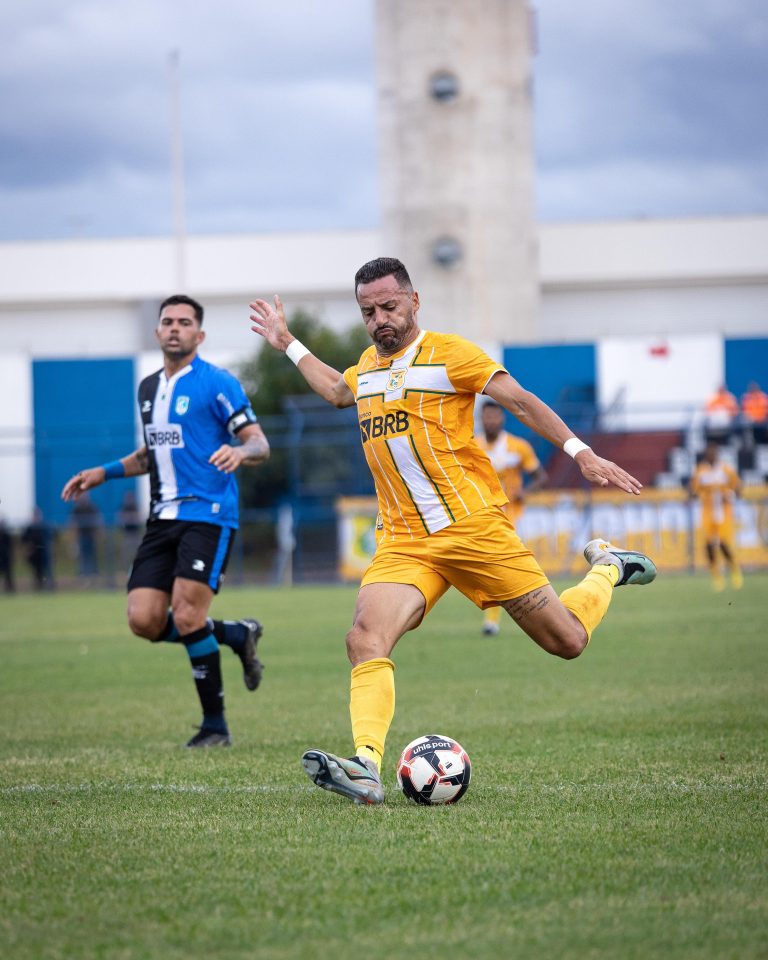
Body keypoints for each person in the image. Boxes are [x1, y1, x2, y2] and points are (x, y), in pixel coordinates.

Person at [248, 257, 657, 805]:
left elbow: (520, 401)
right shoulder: (367, 367)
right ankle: (367, 766)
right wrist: (288, 343)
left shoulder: (452, 354)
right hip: (404, 541)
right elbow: (337, 391)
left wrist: (582, 453)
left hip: (473, 529)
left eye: (389, 306)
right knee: (364, 637)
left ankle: (607, 567)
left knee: (568, 641)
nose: (379, 320)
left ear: (415, 301)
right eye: (368, 311)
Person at [62, 294, 271, 747]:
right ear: (157, 332)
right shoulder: (147, 388)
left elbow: (259, 443)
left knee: (191, 613)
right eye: (167, 321)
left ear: (200, 334)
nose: (174, 328)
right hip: (163, 518)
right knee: (144, 620)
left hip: (209, 515)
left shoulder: (218, 383)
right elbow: (152, 455)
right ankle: (237, 634)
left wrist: (239, 450)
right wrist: (104, 472)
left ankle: (215, 726)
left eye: (184, 322)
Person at [476, 400, 547, 636]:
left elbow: (540, 476)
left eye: (495, 417)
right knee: (492, 569)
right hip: (484, 517)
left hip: (515, 516)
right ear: (481, 419)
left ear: (502, 419)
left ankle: (542, 612)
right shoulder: (472, 446)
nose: (491, 421)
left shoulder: (518, 447)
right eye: (487, 417)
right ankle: (492, 620)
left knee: (518, 568)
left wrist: (524, 493)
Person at [689, 441, 742, 591]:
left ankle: (734, 570)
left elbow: (737, 488)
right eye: (708, 453)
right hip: (707, 514)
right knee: (709, 545)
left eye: (713, 453)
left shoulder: (726, 469)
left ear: (717, 454)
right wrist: (696, 493)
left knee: (724, 543)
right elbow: (693, 490)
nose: (711, 455)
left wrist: (730, 495)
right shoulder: (701, 470)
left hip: (723, 513)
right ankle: (716, 575)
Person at [21, 507, 55, 590]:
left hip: (44, 552)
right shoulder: (30, 528)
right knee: (37, 571)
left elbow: (50, 539)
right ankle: (39, 586)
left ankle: (50, 585)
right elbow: (24, 540)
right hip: (34, 553)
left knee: (47, 569)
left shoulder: (44, 526)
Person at [71, 491, 101, 578]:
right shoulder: (77, 509)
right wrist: (73, 537)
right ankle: (82, 573)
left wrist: (98, 533)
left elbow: (98, 520)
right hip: (81, 536)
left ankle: (94, 573)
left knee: (92, 555)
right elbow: (73, 522)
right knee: (82, 556)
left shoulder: (92, 507)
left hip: (91, 536)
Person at [117, 489, 142, 572]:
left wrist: (130, 517)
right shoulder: (124, 507)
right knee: (125, 555)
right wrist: (130, 517)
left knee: (138, 553)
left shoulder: (135, 507)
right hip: (127, 535)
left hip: (135, 534)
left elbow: (138, 518)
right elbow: (121, 518)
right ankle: (124, 571)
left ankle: (138, 569)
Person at [740, 381, 768, 446]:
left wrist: (762, 418)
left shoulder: (763, 397)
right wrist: (752, 418)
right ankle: (750, 445)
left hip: (763, 420)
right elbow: (744, 411)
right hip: (751, 420)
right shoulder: (746, 398)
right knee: (745, 424)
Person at [0, 518, 16, 593]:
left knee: (8, 575)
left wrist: (12, 557)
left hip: (6, 557)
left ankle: (10, 588)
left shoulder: (7, 535)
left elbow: (11, 547)